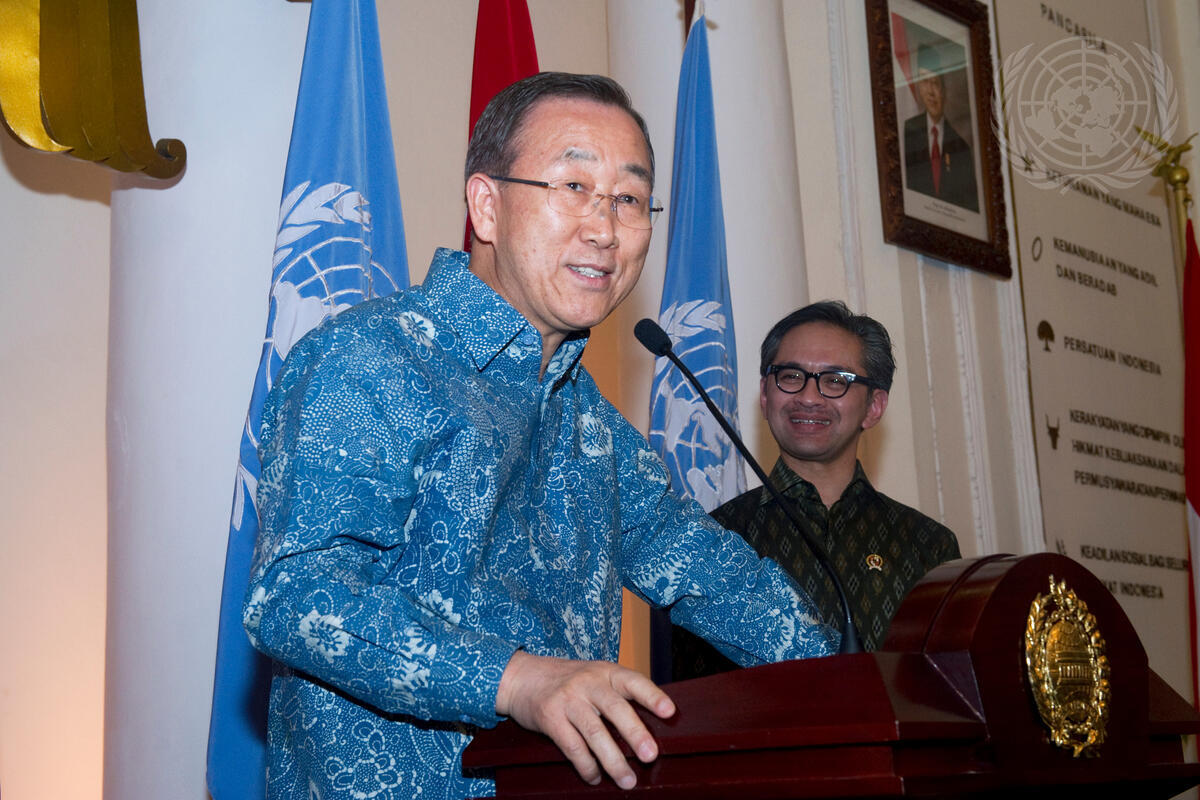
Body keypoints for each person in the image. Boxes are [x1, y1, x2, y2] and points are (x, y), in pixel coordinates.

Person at [242, 72, 837, 800]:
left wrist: (858, 682)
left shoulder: (595, 428)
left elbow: (717, 579)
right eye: (574, 187)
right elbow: (295, 597)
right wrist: (517, 680)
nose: (605, 229)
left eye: (628, 199)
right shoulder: (368, 359)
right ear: (486, 206)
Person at [671, 301, 961, 680]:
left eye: (835, 380)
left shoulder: (928, 547)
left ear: (874, 407)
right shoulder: (715, 538)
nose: (808, 397)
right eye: (791, 376)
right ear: (764, 396)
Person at [902, 46, 979, 212]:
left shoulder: (961, 148)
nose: (931, 91)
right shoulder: (907, 132)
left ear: (944, 91)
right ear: (918, 87)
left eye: (935, 83)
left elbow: (969, 208)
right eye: (925, 81)